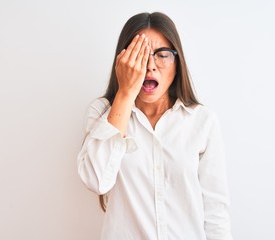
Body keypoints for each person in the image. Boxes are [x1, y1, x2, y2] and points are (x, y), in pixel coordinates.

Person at [77, 11, 233, 240]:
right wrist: (125, 92)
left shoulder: (202, 121)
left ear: (177, 63)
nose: (150, 66)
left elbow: (216, 212)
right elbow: (96, 180)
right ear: (123, 62)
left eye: (162, 55)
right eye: (139, 55)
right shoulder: (102, 113)